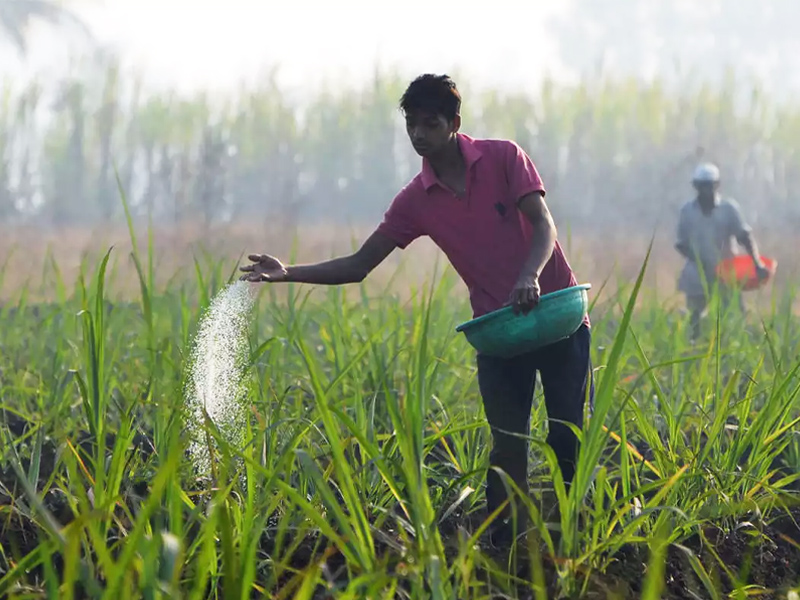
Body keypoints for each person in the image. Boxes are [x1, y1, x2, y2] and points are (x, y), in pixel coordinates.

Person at [240, 74, 593, 548]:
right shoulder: (416, 200)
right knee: (507, 445)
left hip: (556, 317)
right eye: (411, 124)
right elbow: (359, 265)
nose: (419, 134)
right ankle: (504, 552)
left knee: (566, 437)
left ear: (454, 124)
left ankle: (570, 541)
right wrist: (288, 273)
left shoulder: (504, 157)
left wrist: (529, 276)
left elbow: (543, 224)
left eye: (430, 123)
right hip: (501, 331)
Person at [675, 163, 769, 340]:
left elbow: (744, 236)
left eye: (710, 185)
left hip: (726, 273)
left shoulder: (728, 209)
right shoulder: (687, 211)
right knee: (694, 318)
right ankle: (695, 351)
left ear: (717, 185)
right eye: (702, 185)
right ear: (695, 186)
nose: (706, 190)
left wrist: (757, 263)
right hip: (697, 273)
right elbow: (681, 243)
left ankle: (730, 352)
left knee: (734, 317)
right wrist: (702, 262)